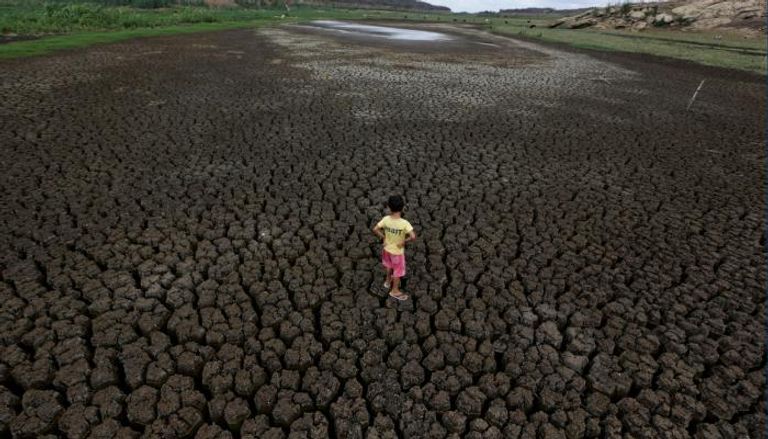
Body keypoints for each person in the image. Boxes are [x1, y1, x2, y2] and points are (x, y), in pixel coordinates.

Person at [372, 195, 416, 301]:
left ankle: (387, 282)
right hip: (397, 252)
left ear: (389, 207)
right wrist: (404, 241)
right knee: (397, 271)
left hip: (387, 248)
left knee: (388, 265)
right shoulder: (404, 223)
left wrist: (384, 237)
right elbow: (413, 236)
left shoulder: (386, 219)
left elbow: (375, 229)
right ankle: (394, 290)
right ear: (402, 208)